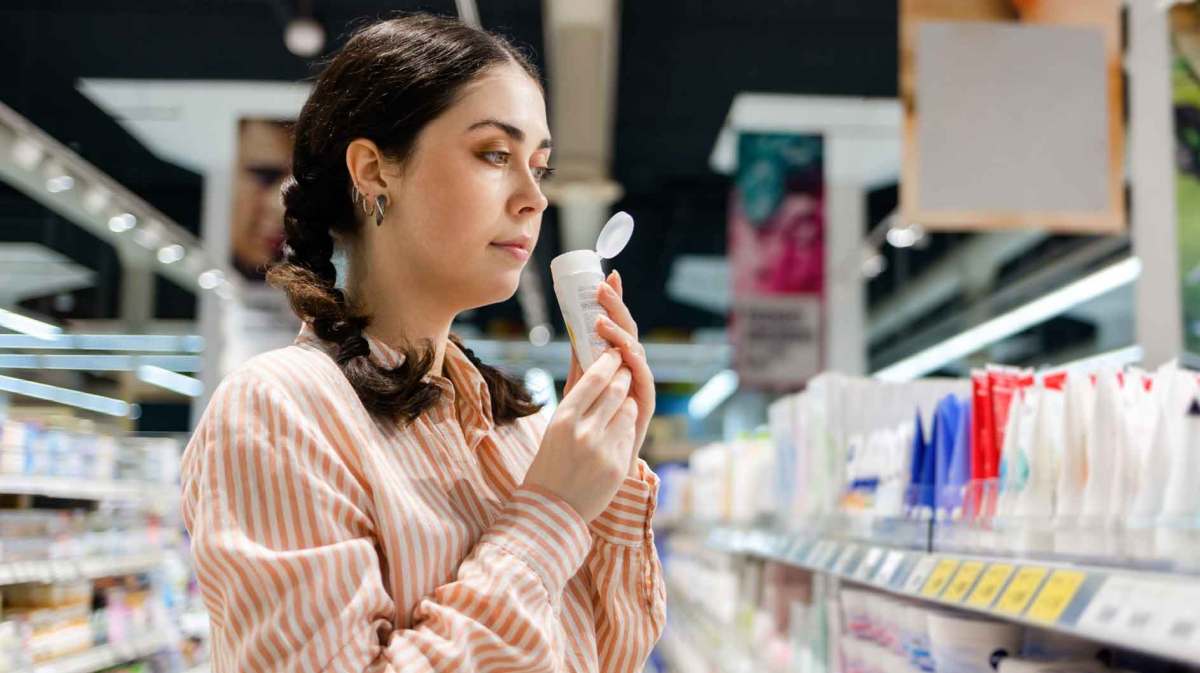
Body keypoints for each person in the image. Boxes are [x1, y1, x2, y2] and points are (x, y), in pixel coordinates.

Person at [180, 14, 663, 673]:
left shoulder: (514, 432)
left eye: (541, 168)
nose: (533, 199)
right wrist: (551, 511)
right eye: (495, 154)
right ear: (375, 169)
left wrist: (606, 469)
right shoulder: (279, 410)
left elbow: (606, 654)